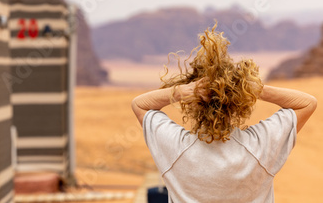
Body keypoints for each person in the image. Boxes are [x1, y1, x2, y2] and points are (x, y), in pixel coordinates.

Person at [131, 25, 317, 203]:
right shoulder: (259, 146)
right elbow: (307, 103)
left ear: (194, 105)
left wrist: (181, 91)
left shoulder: (176, 149)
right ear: (238, 103)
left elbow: (139, 105)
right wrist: (251, 88)